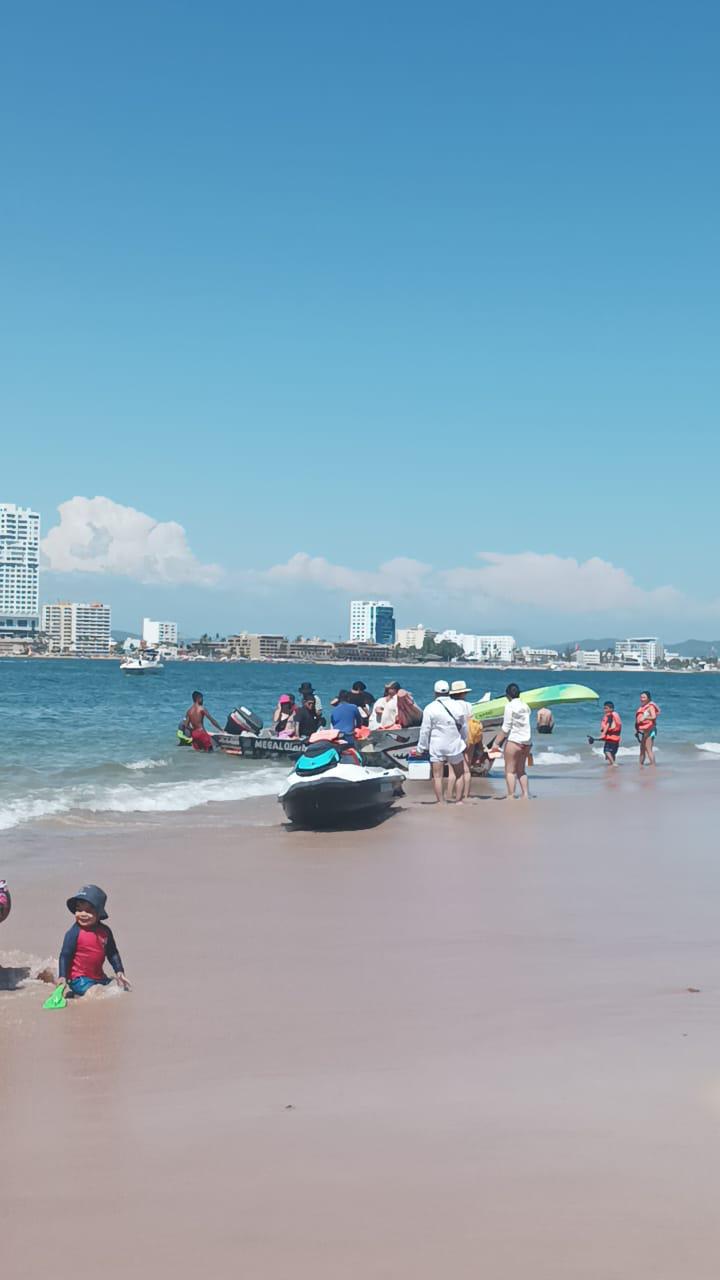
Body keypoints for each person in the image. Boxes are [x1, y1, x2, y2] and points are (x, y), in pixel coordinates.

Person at [58, 884, 130, 998]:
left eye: (88, 911)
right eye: (79, 910)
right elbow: (65, 955)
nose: (82, 914)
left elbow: (112, 953)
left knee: (119, 988)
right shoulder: (74, 933)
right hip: (78, 978)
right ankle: (78, 993)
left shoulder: (105, 931)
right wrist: (62, 976)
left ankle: (79, 993)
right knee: (95, 994)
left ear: (99, 912)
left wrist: (119, 971)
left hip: (98, 977)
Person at [417, 679, 468, 804]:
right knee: (460, 774)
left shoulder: (430, 708)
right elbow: (464, 726)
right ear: (449, 692)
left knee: (437, 776)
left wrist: (421, 747)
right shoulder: (458, 705)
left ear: (435, 692)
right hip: (454, 744)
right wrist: (463, 740)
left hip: (437, 745)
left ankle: (441, 802)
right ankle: (459, 801)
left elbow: (425, 730)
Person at [492, 683, 532, 799]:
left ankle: (511, 795)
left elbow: (506, 728)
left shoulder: (509, 706)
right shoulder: (526, 706)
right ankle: (525, 794)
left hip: (514, 741)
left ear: (507, 696)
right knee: (521, 771)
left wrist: (496, 743)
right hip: (527, 743)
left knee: (509, 771)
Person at [449, 679, 474, 800]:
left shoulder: (450, 705)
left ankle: (450, 794)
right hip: (467, 737)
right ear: (463, 693)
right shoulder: (468, 705)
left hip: (453, 738)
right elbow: (470, 722)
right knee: (466, 769)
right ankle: (466, 794)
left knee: (452, 770)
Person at [589, 701, 622, 766]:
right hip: (616, 738)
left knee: (606, 751)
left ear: (611, 709)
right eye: (604, 708)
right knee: (612, 753)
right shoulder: (614, 715)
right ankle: (612, 763)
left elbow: (608, 725)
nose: (604, 710)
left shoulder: (610, 716)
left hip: (611, 738)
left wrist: (603, 734)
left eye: (606, 708)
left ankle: (613, 763)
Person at [635, 691, 660, 766]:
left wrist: (645, 717)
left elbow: (654, 716)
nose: (642, 699)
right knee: (642, 749)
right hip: (644, 731)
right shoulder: (642, 707)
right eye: (641, 697)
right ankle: (640, 765)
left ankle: (653, 765)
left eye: (644, 697)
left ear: (648, 698)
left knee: (648, 749)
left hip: (650, 730)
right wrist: (637, 729)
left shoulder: (650, 706)